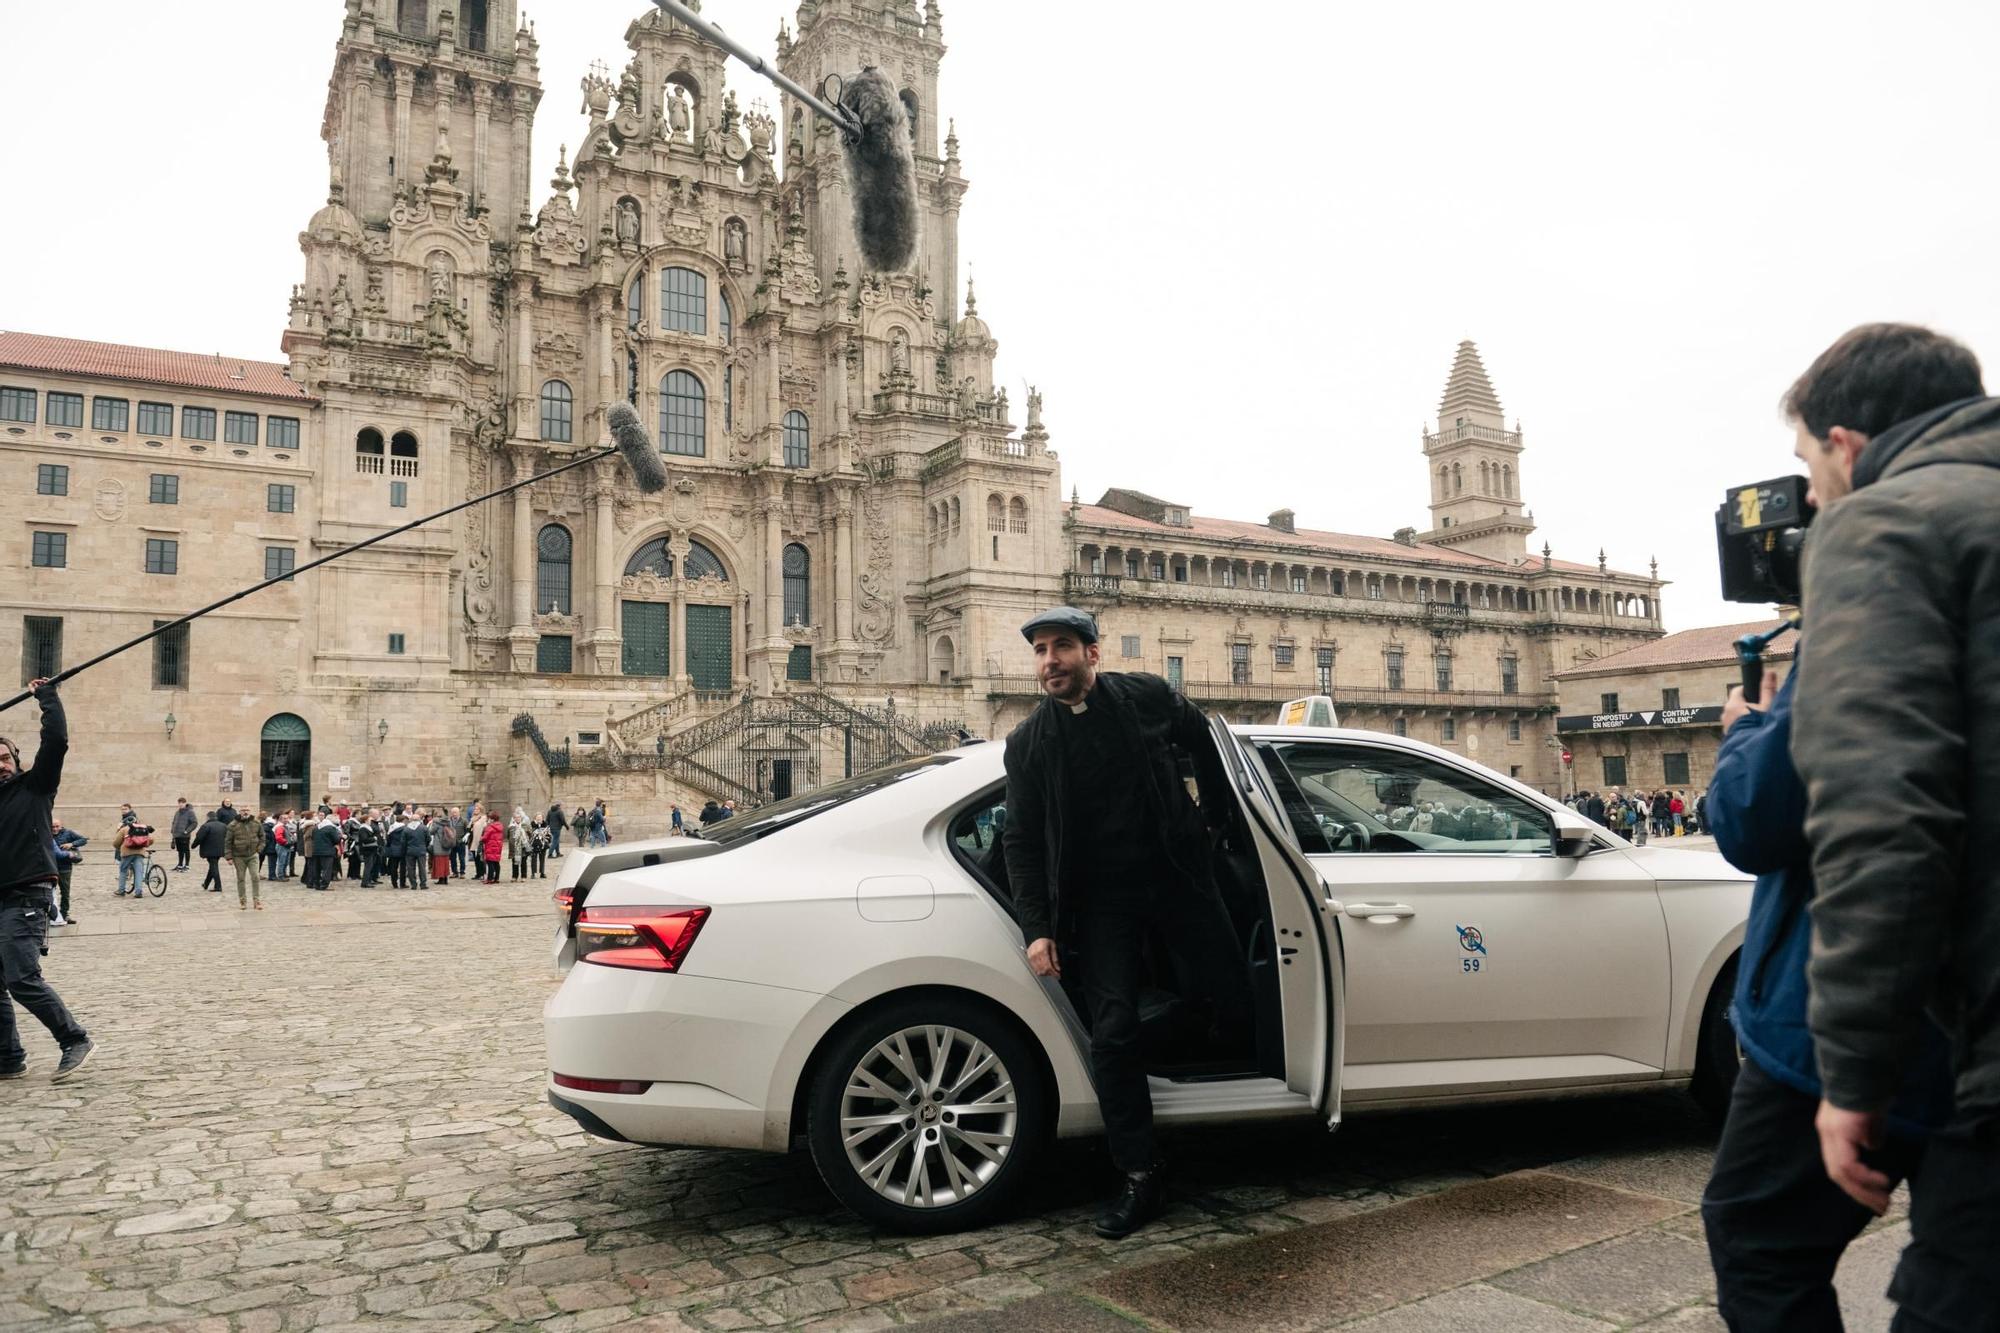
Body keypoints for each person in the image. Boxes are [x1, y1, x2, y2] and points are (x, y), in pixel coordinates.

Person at [1779, 323, 1999, 1329]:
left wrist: (1852, 1076)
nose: (1810, 501)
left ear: (1847, 445)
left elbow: (1883, 827)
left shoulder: (1882, 525)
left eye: (1807, 470)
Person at [1700, 649, 1951, 1331]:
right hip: (1968, 1017)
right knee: (1964, 1270)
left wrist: (1747, 727)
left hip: (1839, 1016)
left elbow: (1754, 814)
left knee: (1758, 1241)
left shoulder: (1882, 594)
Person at [1001, 607, 1251, 1239]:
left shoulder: (1149, 696)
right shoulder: (1029, 742)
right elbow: (1021, 840)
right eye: (1040, 651)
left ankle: (1249, 1117)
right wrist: (1038, 927)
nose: (1049, 661)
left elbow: (1208, 745)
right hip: (1100, 902)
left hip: (1178, 879)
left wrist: (1217, 824)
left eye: (1061, 647)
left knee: (1232, 989)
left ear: (1093, 653)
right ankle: (1140, 1173)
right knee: (1111, 1034)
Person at [0, 679, 94, 1080]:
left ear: (16, 760)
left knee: (22, 978)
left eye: (4, 757)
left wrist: (48, 697)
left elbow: (56, 741)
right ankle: (8, 1058)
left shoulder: (35, 787)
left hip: (27, 894)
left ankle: (74, 1039)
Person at [223, 805, 262, 910]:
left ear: (250, 811)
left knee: (255, 877)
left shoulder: (256, 823)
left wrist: (259, 849)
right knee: (241, 878)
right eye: (243, 810)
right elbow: (227, 842)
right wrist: (229, 857)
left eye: (247, 810)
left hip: (253, 855)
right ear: (239, 812)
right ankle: (243, 901)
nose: (245, 812)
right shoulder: (233, 825)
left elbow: (262, 837)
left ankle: (257, 901)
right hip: (238, 856)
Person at [50, 819, 85, 927]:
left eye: (57, 826)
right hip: (51, 868)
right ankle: (52, 915)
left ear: (61, 826)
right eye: (53, 827)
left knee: (65, 893)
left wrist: (71, 844)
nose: (55, 829)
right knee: (50, 893)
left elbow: (83, 840)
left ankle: (64, 914)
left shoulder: (68, 833)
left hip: (65, 868)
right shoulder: (47, 834)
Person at [193, 809, 228, 893]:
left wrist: (193, 845)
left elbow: (199, 837)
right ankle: (206, 884)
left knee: (214, 867)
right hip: (220, 850)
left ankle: (218, 886)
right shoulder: (223, 825)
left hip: (209, 850)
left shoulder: (206, 826)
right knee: (213, 866)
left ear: (208, 817)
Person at [170, 797, 196, 872]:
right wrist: (173, 830)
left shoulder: (190, 812)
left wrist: (187, 831)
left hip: (185, 835)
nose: (180, 804)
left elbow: (194, 823)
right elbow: (174, 822)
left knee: (186, 850)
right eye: (179, 803)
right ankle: (180, 864)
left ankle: (187, 865)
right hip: (177, 835)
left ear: (185, 803)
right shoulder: (177, 812)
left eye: (182, 802)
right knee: (180, 850)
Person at [428, 812, 454, 887]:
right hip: (447, 846)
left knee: (439, 863)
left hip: (439, 847)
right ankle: (445, 879)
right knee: (445, 863)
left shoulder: (436, 824)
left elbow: (431, 832)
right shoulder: (449, 823)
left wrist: (432, 824)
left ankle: (441, 879)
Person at [481, 813, 505, 884]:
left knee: (490, 862)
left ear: (492, 819)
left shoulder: (490, 827)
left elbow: (485, 838)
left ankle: (490, 878)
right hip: (498, 846)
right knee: (496, 862)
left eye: (489, 818)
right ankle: (497, 878)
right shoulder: (500, 826)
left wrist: (481, 838)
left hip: (490, 846)